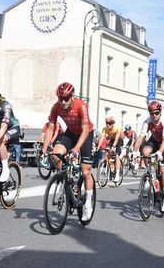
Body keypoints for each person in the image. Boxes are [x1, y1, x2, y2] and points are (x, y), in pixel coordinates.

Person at [41, 82, 94, 221]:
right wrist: (44, 148)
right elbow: (51, 129)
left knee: (86, 171)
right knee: (55, 154)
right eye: (60, 99)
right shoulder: (56, 107)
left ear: (72, 96)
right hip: (71, 132)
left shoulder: (81, 105)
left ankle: (88, 202)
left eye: (66, 99)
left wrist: (76, 149)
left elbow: (85, 130)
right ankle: (67, 181)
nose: (63, 102)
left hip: (86, 133)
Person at [132, 100, 164, 212]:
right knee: (145, 151)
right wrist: (134, 151)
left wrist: (159, 152)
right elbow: (141, 137)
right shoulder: (147, 122)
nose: (154, 116)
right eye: (151, 113)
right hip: (154, 140)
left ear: (160, 112)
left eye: (156, 113)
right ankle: (152, 176)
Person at [97, 116, 123, 182]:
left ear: (112, 123)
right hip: (111, 140)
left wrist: (113, 147)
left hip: (119, 141)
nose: (108, 125)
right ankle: (108, 167)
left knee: (117, 156)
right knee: (107, 151)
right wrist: (98, 147)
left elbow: (117, 139)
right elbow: (102, 138)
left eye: (109, 123)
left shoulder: (117, 128)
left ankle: (117, 174)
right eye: (107, 123)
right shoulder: (105, 129)